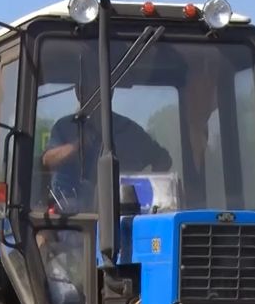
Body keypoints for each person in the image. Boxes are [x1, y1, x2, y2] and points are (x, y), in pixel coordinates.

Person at [41, 77, 173, 212]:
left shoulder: (127, 130)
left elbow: (163, 159)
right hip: (70, 213)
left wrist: (152, 192)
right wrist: (77, 146)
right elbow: (47, 159)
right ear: (77, 92)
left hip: (119, 210)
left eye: (100, 89)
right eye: (88, 89)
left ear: (111, 91)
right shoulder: (64, 127)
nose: (94, 94)